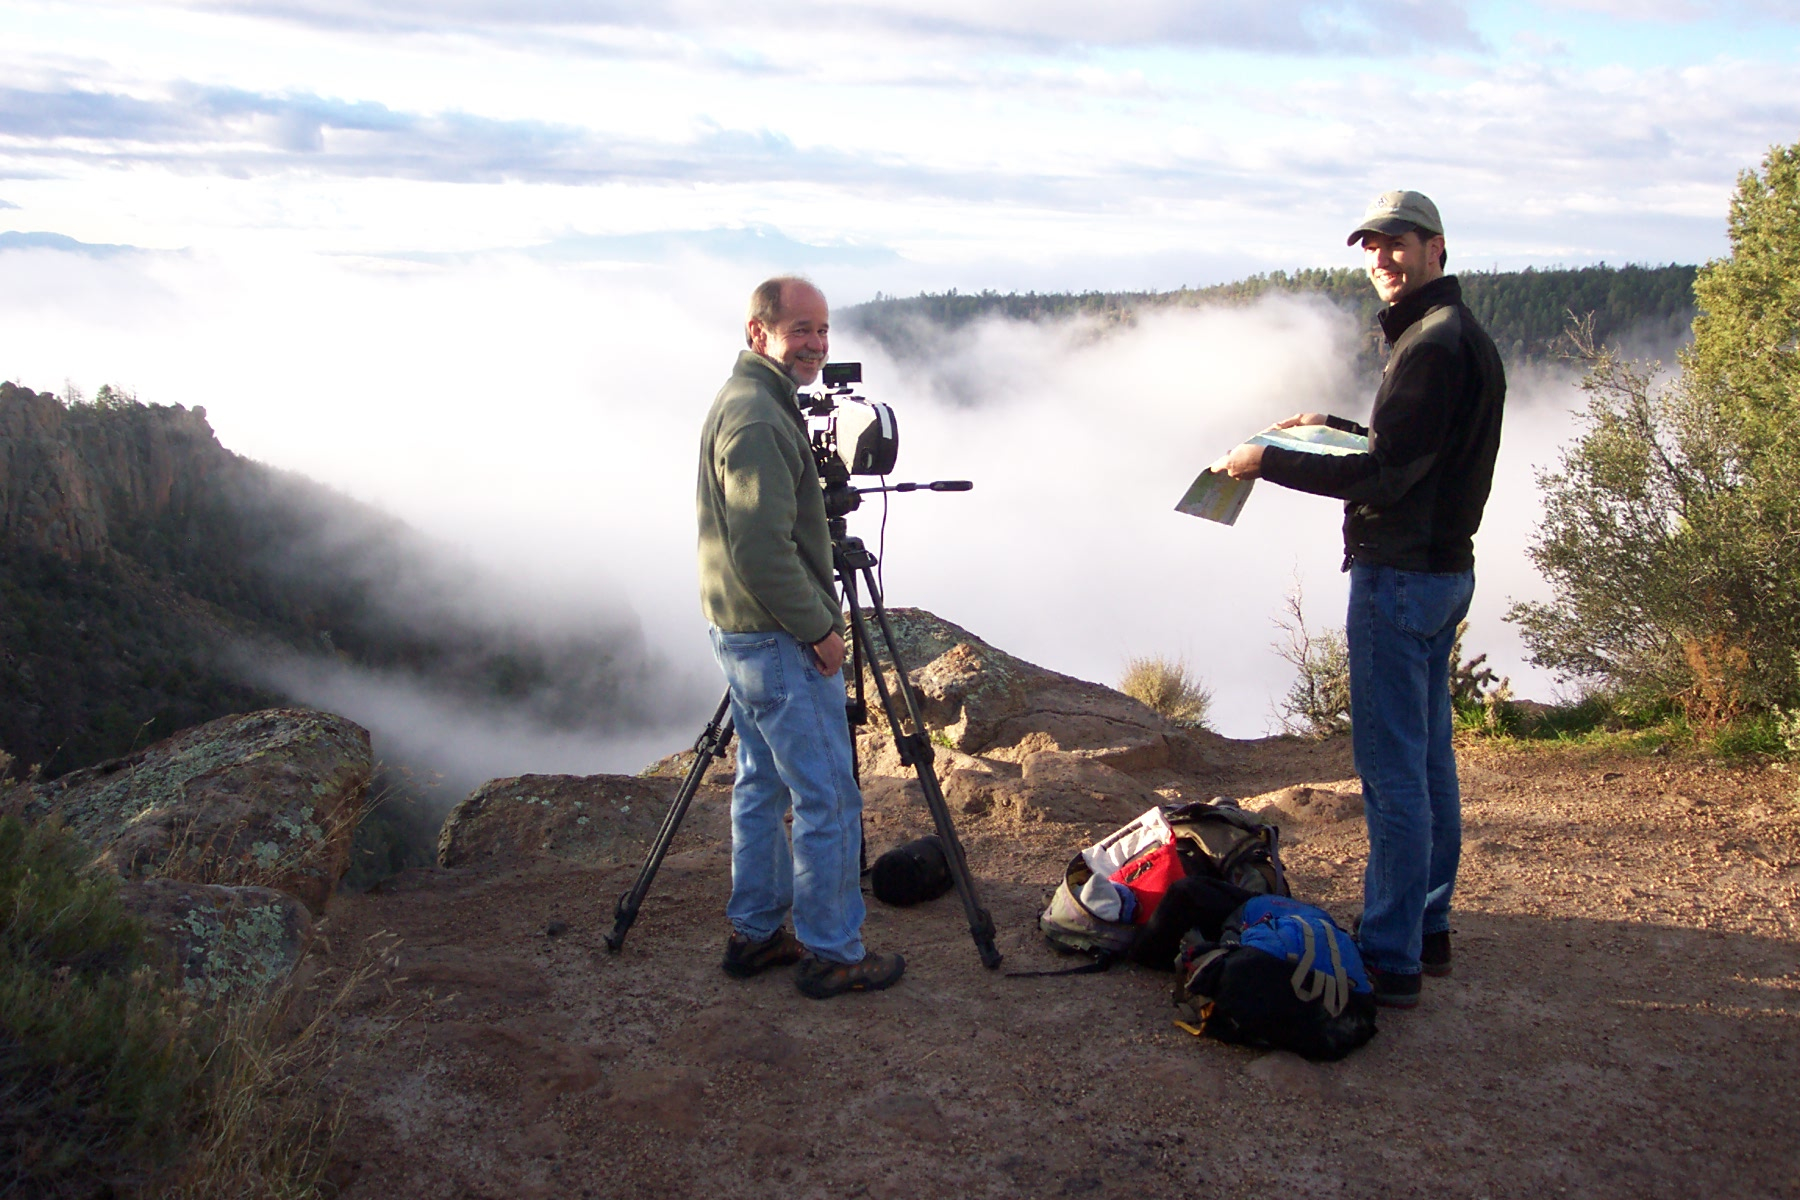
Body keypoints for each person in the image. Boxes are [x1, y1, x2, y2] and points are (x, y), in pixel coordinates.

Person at [1211, 191, 1506, 1008]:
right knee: (1428, 758)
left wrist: (1264, 460)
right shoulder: (1449, 335)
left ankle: (1389, 956)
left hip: (1402, 578)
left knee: (1393, 775)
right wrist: (1331, 423)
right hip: (1442, 573)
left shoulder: (1432, 346)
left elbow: (1386, 474)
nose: (1383, 259)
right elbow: (1411, 450)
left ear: (1437, 247)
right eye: (1372, 247)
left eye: (1399, 244)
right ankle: (1427, 929)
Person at [694, 275, 906, 999]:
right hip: (777, 636)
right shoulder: (756, 418)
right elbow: (760, 548)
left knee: (760, 785)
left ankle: (754, 933)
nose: (816, 343)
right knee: (828, 798)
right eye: (800, 330)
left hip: (743, 631)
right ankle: (832, 951)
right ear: (760, 333)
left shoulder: (751, 401)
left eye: (823, 330)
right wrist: (818, 627)